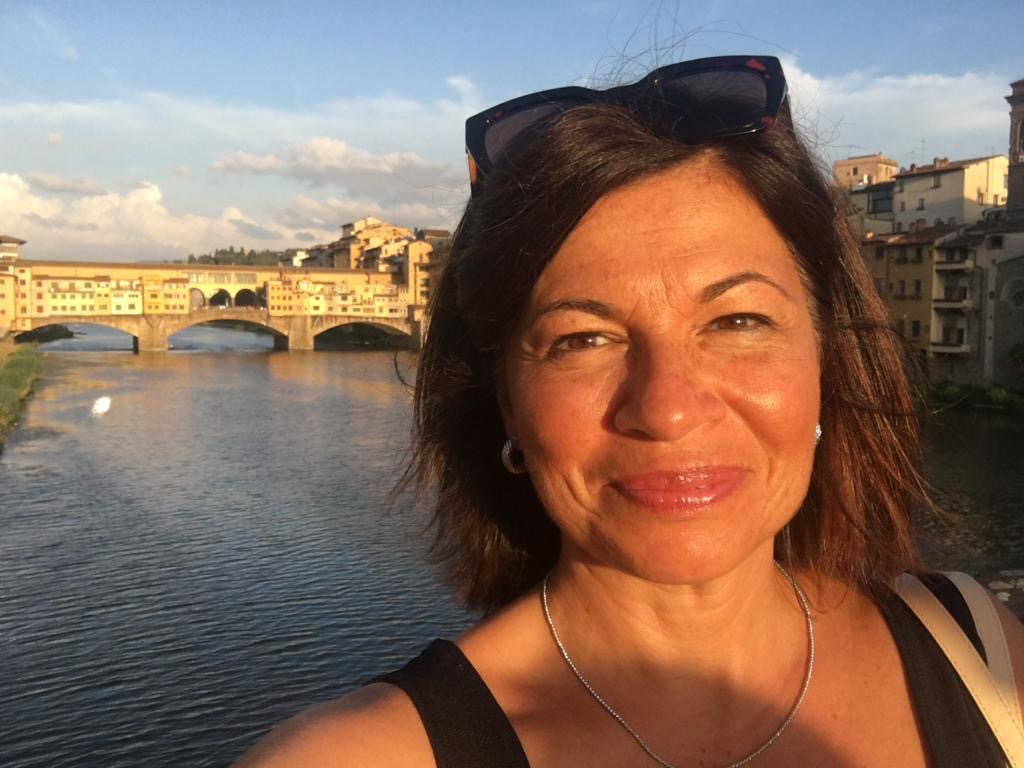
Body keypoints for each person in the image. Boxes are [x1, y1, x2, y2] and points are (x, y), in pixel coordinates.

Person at [234, 55, 1024, 767]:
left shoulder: (984, 653)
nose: (668, 409)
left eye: (738, 322)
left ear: (824, 358)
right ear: (505, 399)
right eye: (582, 339)